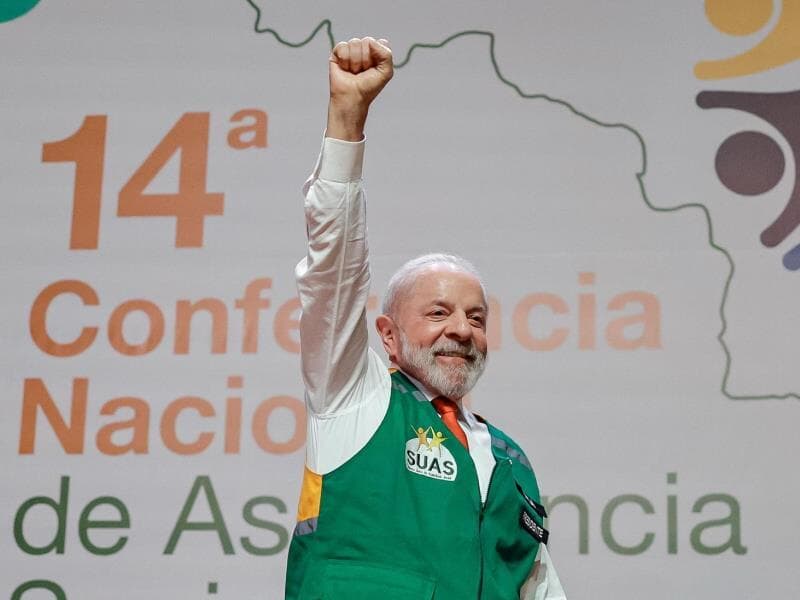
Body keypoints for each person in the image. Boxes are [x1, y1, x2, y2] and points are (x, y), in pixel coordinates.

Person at [285, 36, 566, 599]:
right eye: (438, 312)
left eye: (476, 317)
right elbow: (333, 272)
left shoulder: (512, 461)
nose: (462, 330)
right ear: (386, 335)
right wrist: (347, 117)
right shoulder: (355, 398)